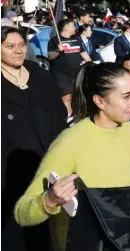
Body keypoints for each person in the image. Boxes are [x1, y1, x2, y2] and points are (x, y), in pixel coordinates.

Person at [14, 63, 130, 251]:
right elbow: (22, 212)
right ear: (100, 101)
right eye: (126, 96)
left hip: (126, 243)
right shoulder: (70, 142)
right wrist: (50, 200)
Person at [1, 26, 67, 251]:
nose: (18, 51)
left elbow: (59, 115)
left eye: (21, 45)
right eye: (9, 46)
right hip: (10, 174)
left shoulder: (40, 74)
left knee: (48, 233)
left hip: (47, 166)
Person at [48, 18, 92, 115]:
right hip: (62, 75)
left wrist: (90, 63)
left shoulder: (76, 39)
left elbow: (84, 53)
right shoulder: (54, 40)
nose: (75, 28)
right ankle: (67, 118)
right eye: (73, 25)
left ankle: (77, 115)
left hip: (77, 74)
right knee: (67, 98)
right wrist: (58, 50)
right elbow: (50, 56)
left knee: (77, 96)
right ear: (66, 28)